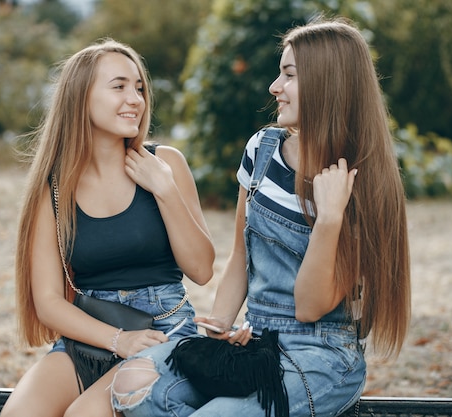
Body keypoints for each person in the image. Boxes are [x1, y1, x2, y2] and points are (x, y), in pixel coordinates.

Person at [110, 17, 411, 417]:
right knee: (132, 386)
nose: (275, 87)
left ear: (327, 84)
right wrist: (220, 327)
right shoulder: (263, 150)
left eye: (288, 75)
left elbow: (308, 307)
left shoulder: (359, 181)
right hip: (257, 342)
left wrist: (329, 218)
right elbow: (241, 254)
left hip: (320, 356)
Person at [0, 39, 215, 417]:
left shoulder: (165, 163)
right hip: (93, 331)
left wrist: (164, 189)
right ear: (81, 98)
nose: (135, 99)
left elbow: (201, 269)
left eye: (139, 88)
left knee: (84, 415)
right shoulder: (53, 188)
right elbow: (48, 301)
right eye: (119, 87)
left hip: (163, 331)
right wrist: (118, 339)